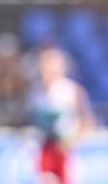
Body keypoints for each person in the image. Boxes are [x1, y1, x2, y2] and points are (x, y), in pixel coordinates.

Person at [26, 46, 95, 184]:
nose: (46, 73)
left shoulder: (72, 91)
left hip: (66, 151)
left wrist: (74, 140)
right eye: (44, 68)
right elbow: (30, 121)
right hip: (44, 150)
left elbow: (87, 121)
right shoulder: (34, 93)